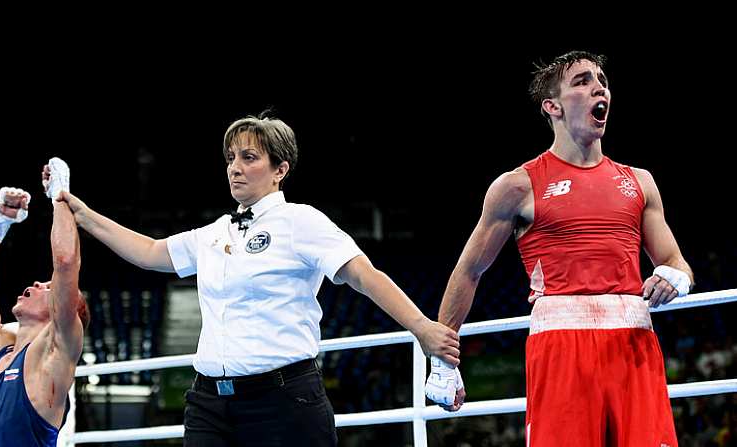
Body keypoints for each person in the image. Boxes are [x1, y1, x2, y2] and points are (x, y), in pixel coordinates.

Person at [58, 113, 460, 446]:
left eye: (249, 157)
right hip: (209, 403)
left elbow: (363, 275)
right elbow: (148, 253)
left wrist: (422, 327)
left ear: (280, 170)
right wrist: (81, 212)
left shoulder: (300, 221)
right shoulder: (217, 231)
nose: (235, 167)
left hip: (282, 401)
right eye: (231, 157)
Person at [424, 51, 693, 446]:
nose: (599, 86)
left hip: (635, 342)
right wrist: (443, 360)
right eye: (582, 81)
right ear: (553, 107)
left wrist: (677, 278)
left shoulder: (640, 182)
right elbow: (469, 271)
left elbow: (675, 262)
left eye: (602, 79)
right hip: (562, 344)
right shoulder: (518, 186)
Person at [0, 158, 90, 446]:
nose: (37, 284)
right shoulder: (1, 346)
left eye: (49, 287)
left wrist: (60, 196)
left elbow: (66, 262)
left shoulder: (56, 353)